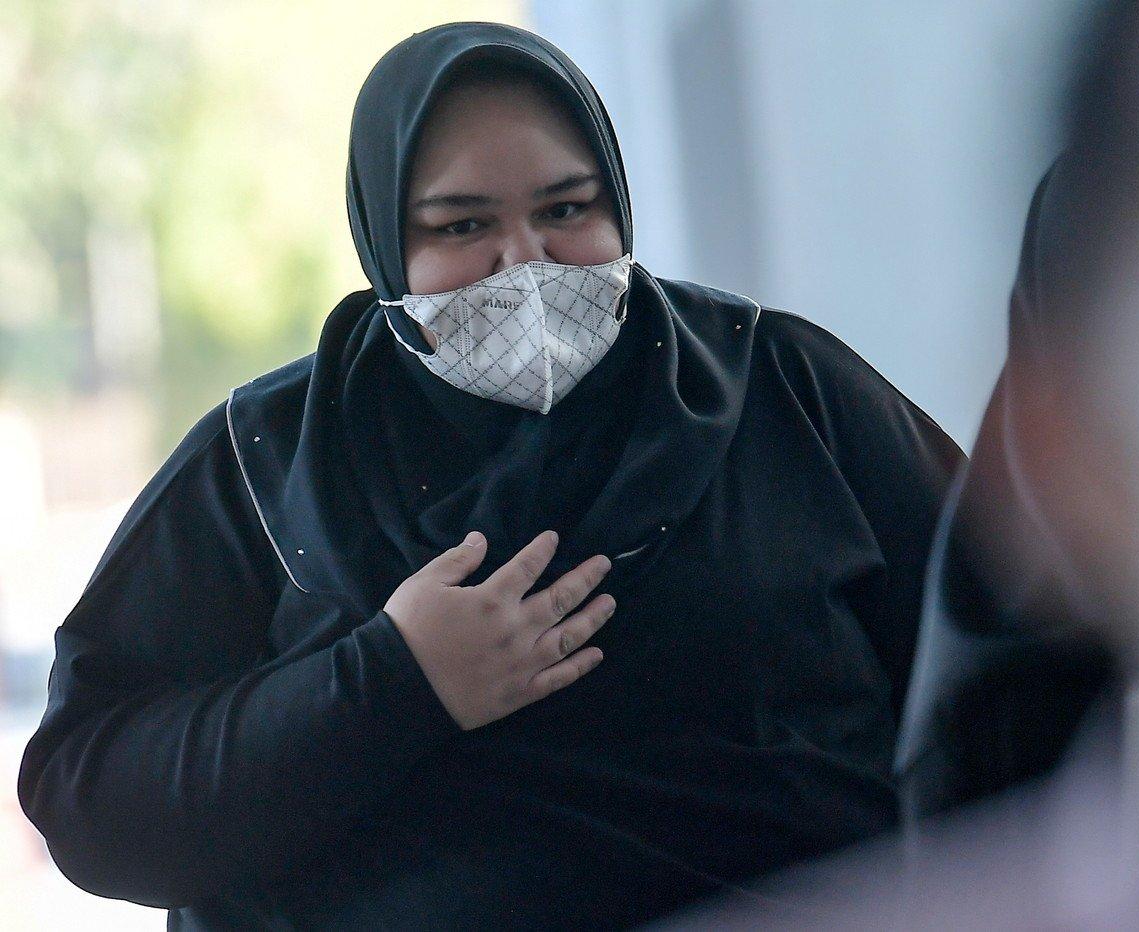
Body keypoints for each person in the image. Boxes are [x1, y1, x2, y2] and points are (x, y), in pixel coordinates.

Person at [17, 22, 961, 929]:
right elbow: (95, 802)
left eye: (566, 209)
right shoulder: (271, 466)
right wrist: (389, 684)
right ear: (386, 240)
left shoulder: (778, 389)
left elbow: (1015, 651)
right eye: (464, 224)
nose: (528, 264)